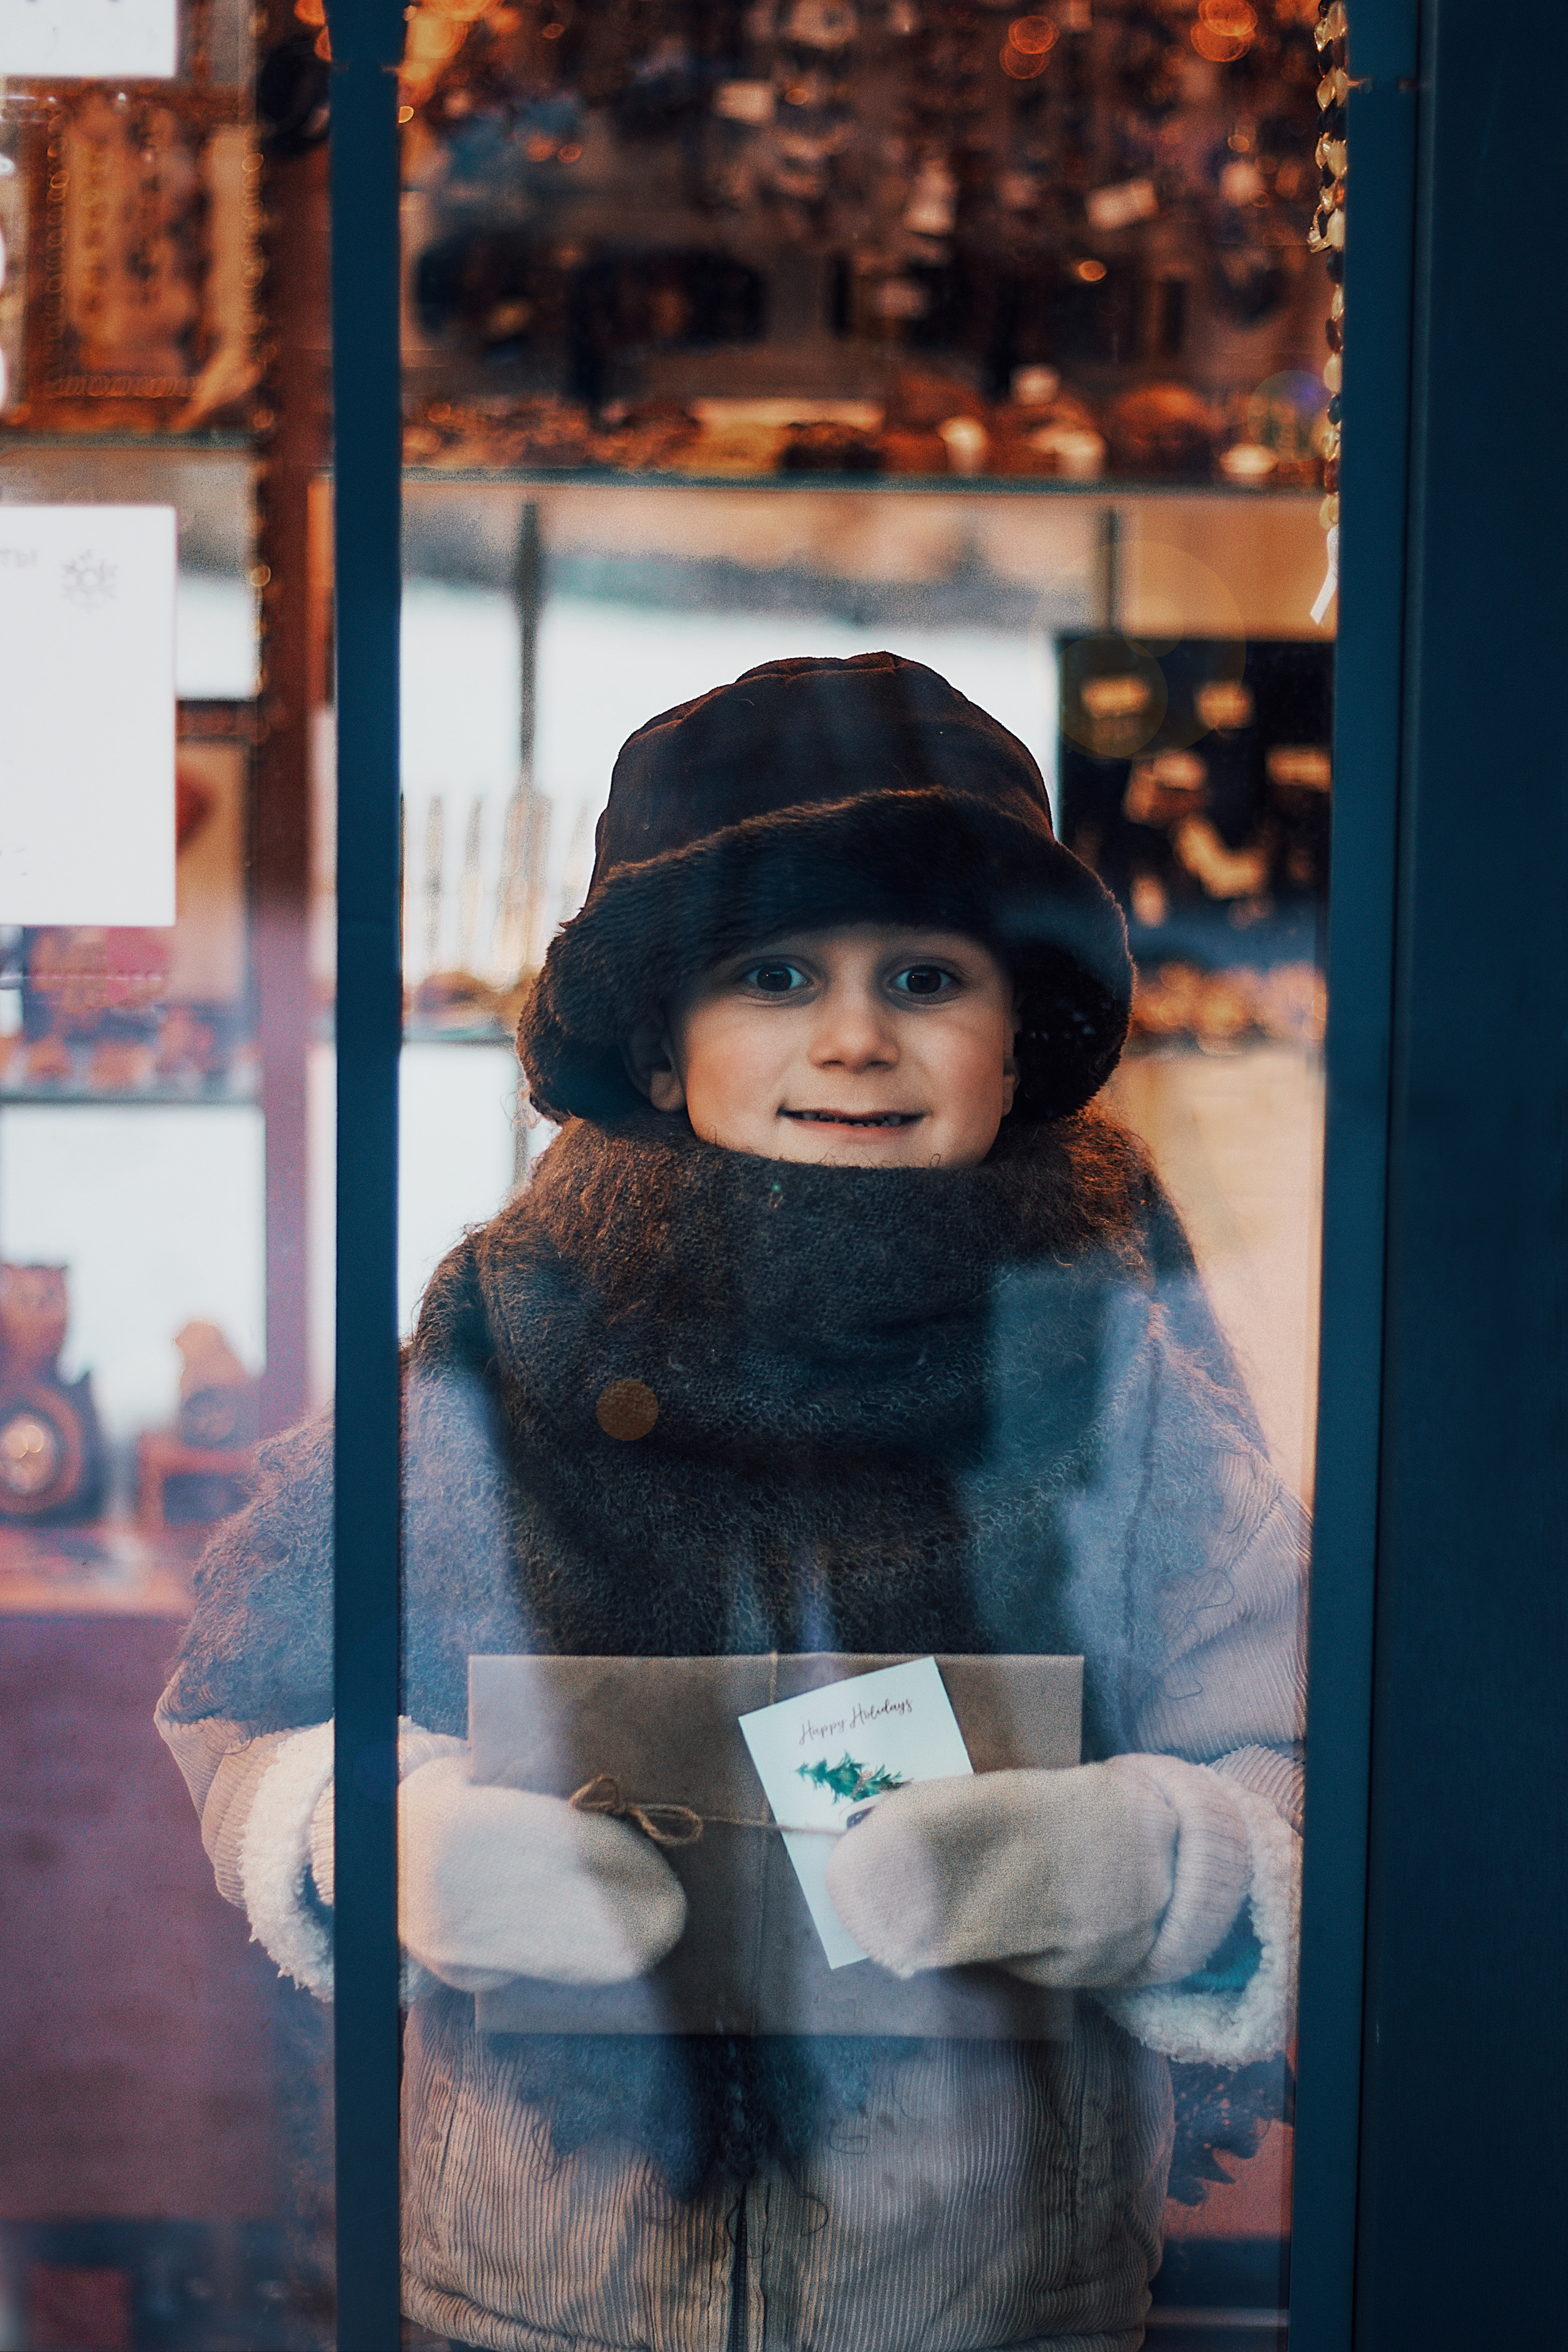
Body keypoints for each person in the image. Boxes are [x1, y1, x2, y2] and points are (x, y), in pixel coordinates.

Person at [157, 654, 1304, 2352]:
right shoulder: (494, 1360)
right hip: (526, 2290)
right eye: (774, 973)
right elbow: (253, 1712)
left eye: (927, 974)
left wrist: (1157, 1865)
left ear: (1017, 1047)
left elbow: (1293, 1766)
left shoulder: (1122, 1399)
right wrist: (391, 1838)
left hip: (984, 2297)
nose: (854, 1035)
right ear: (666, 1042)